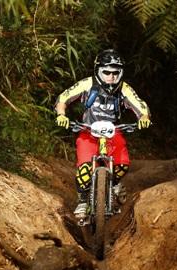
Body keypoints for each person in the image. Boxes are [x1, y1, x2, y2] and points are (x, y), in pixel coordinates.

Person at [54, 49, 151, 218]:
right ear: (98, 70)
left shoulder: (124, 88)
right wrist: (61, 115)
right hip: (88, 131)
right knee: (84, 166)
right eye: (106, 72)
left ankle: (114, 184)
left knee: (123, 164)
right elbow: (63, 98)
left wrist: (144, 117)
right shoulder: (87, 84)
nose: (111, 76)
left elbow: (141, 105)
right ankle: (83, 201)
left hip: (113, 132)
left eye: (115, 73)